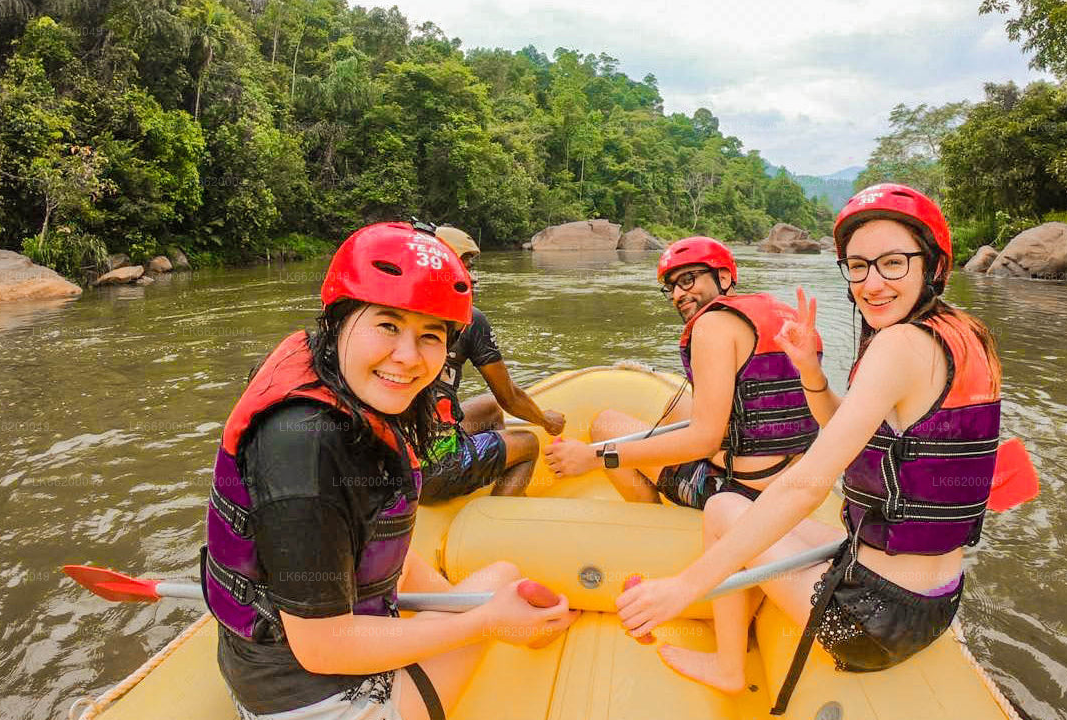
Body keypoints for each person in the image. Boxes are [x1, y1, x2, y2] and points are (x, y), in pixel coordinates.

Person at [615, 185, 1003, 715]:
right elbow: (855, 432)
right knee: (749, 513)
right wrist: (810, 373)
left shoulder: (898, 345)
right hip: (936, 602)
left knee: (725, 505)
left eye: (893, 263)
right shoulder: (967, 334)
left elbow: (806, 487)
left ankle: (728, 667)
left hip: (871, 621)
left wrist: (684, 588)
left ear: (932, 266)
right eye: (859, 267)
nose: (872, 284)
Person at [200, 222, 577, 720]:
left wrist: (457, 605)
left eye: (430, 335)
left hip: (280, 666)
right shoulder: (305, 447)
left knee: (500, 579)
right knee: (497, 592)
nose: (407, 357)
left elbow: (382, 543)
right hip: (313, 700)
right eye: (387, 325)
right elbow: (323, 648)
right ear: (340, 319)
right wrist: (485, 621)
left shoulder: (336, 381)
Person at [543, 236, 825, 692]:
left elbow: (704, 438)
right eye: (672, 286)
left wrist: (593, 457)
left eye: (689, 279)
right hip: (787, 485)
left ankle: (653, 522)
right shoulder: (780, 313)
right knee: (674, 414)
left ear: (725, 278)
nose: (678, 293)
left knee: (605, 424)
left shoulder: (712, 326)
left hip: (739, 492)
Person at [418, 225, 566, 503]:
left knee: (489, 407)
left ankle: (498, 471)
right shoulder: (470, 320)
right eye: (465, 266)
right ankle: (498, 513)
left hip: (401, 458)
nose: (473, 277)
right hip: (431, 470)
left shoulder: (396, 316)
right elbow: (509, 397)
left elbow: (499, 402)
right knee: (529, 444)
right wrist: (546, 421)